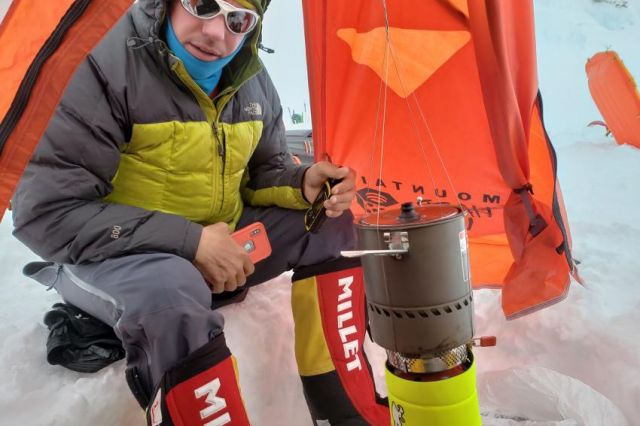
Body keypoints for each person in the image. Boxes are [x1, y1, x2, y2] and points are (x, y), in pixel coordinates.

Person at [12, 0, 390, 425]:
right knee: (171, 291)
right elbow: (48, 213)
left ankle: (348, 412)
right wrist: (191, 243)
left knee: (328, 223)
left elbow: (265, 170)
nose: (215, 33)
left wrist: (301, 184)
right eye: (203, 5)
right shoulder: (101, 64)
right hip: (112, 255)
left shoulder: (251, 80)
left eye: (238, 19)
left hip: (220, 245)